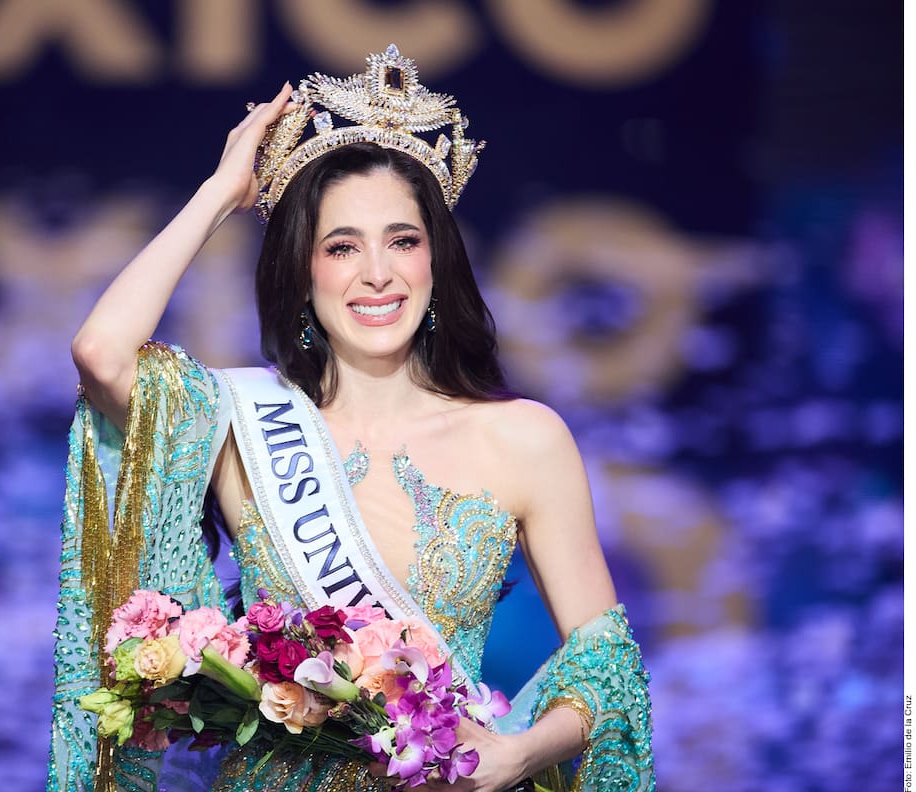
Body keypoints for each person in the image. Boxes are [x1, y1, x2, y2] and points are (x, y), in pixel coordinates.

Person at [49, 46, 653, 792]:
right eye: (342, 247)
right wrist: (218, 192)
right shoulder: (239, 426)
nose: (377, 273)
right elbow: (102, 354)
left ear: (436, 263)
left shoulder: (523, 439)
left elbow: (607, 663)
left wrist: (518, 754)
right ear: (304, 273)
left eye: (403, 241)